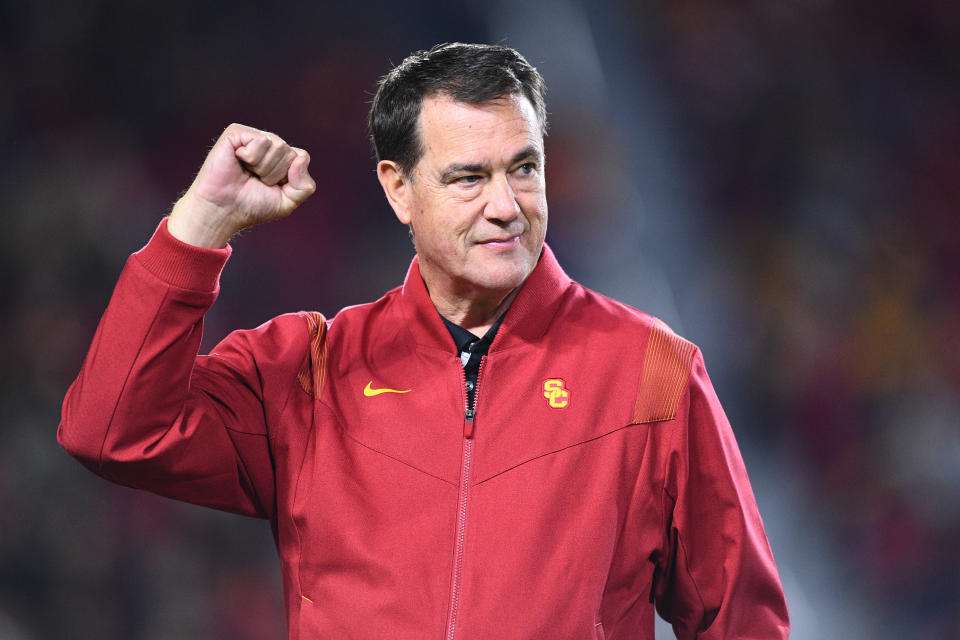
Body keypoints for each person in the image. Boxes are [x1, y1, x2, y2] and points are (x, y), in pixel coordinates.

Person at [59, 43, 790, 639]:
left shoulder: (650, 371)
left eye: (523, 169)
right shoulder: (311, 371)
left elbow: (741, 622)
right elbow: (113, 431)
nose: (505, 207)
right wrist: (201, 225)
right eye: (468, 177)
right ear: (399, 189)